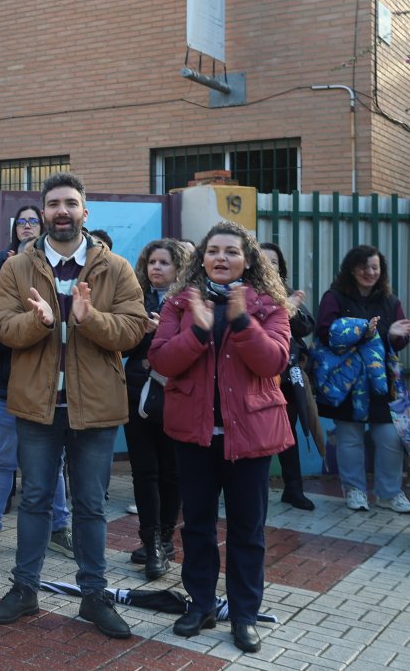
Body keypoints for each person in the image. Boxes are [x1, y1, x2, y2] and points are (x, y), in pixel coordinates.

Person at [0, 171, 147, 639]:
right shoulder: (17, 267)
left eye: (70, 203)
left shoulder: (115, 268)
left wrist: (89, 317)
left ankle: (94, 597)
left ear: (84, 212)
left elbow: (134, 331)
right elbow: (2, 329)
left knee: (92, 505)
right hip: (37, 407)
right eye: (53, 204)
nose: (62, 211)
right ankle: (25, 589)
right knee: (34, 500)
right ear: (42, 213)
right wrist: (38, 321)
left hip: (94, 407)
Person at [149, 222, 294, 654]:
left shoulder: (268, 306)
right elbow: (162, 361)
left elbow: (273, 362)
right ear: (202, 257)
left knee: (248, 530)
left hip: (249, 437)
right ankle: (200, 605)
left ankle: (245, 615)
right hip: (194, 436)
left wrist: (242, 321)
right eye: (214, 251)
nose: (221, 258)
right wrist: (196, 330)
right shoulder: (181, 303)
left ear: (247, 259)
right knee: (196, 526)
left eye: (231, 251)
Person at [0, 235, 75, 561]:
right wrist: (32, 326)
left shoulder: (61, 294)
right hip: (7, 393)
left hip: (49, 396)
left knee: (55, 465)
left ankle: (60, 529)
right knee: (3, 462)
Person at [315, 244, 410, 513]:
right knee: (349, 437)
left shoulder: (390, 301)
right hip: (347, 381)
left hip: (381, 382)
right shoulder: (335, 297)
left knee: (390, 437)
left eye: (375, 267)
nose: (369, 272)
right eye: (363, 266)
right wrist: (375, 330)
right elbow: (324, 332)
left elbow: (398, 341)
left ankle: (389, 493)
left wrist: (395, 335)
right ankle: (354, 490)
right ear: (351, 268)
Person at [122, 238, 189, 580]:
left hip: (176, 396)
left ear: (180, 267)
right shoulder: (136, 297)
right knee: (144, 471)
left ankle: (165, 537)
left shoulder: (192, 301)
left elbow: (196, 347)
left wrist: (161, 331)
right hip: (137, 394)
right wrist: (140, 332)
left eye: (164, 262)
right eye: (152, 262)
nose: (156, 268)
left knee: (172, 471)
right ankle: (150, 542)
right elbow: (120, 343)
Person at [258, 242, 316, 510]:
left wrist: (290, 307)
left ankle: (293, 488)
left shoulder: (288, 293)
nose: (269, 265)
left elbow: (307, 326)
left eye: (274, 261)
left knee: (287, 430)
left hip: (287, 374)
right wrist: (284, 308)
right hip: (257, 375)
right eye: (263, 260)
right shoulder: (246, 293)